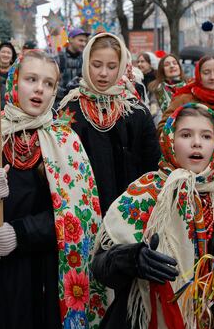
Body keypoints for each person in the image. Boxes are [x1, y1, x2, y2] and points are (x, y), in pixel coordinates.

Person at [0, 50, 107, 329]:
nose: (39, 89)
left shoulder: (65, 142)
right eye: (31, 79)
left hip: (44, 277)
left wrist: (21, 233)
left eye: (48, 83)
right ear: (14, 82)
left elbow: (80, 218)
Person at [93, 103, 214, 329]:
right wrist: (133, 258)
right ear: (169, 140)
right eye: (186, 134)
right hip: (145, 323)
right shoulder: (147, 191)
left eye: (206, 136)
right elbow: (100, 267)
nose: (197, 142)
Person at [58, 33, 161, 212]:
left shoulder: (136, 110)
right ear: (86, 63)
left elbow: (152, 166)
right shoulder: (69, 109)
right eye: (96, 65)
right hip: (84, 211)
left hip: (131, 212)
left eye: (112, 66)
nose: (103, 73)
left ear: (121, 66)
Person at [160, 55, 214, 129]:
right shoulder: (183, 100)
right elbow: (162, 128)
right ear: (198, 75)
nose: (212, 77)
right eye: (206, 72)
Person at [57, 27, 89, 99]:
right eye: (80, 40)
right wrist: (66, 93)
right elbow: (51, 84)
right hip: (59, 103)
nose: (83, 44)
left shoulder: (85, 60)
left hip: (79, 102)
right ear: (71, 39)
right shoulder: (58, 58)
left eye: (85, 41)